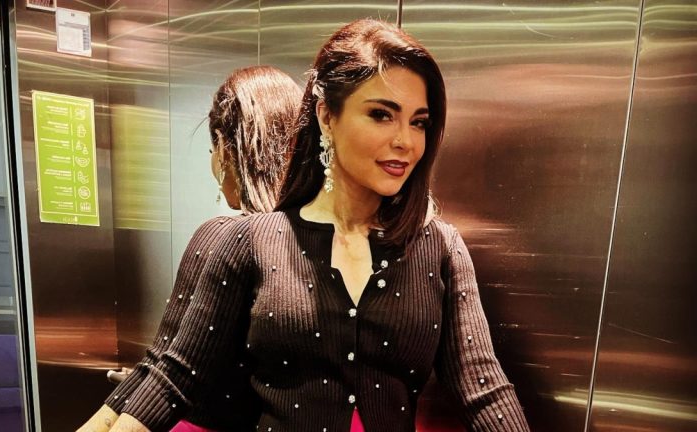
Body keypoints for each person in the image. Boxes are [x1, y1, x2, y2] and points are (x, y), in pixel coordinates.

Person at [104, 18, 530, 432]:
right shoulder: (250, 242)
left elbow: (483, 389)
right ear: (327, 116)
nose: (405, 140)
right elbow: (175, 375)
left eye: (419, 122)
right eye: (381, 114)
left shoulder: (439, 248)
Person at [77, 65, 302, 432]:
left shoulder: (223, 236)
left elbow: (163, 367)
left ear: (226, 149)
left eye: (213, 149)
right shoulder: (322, 246)